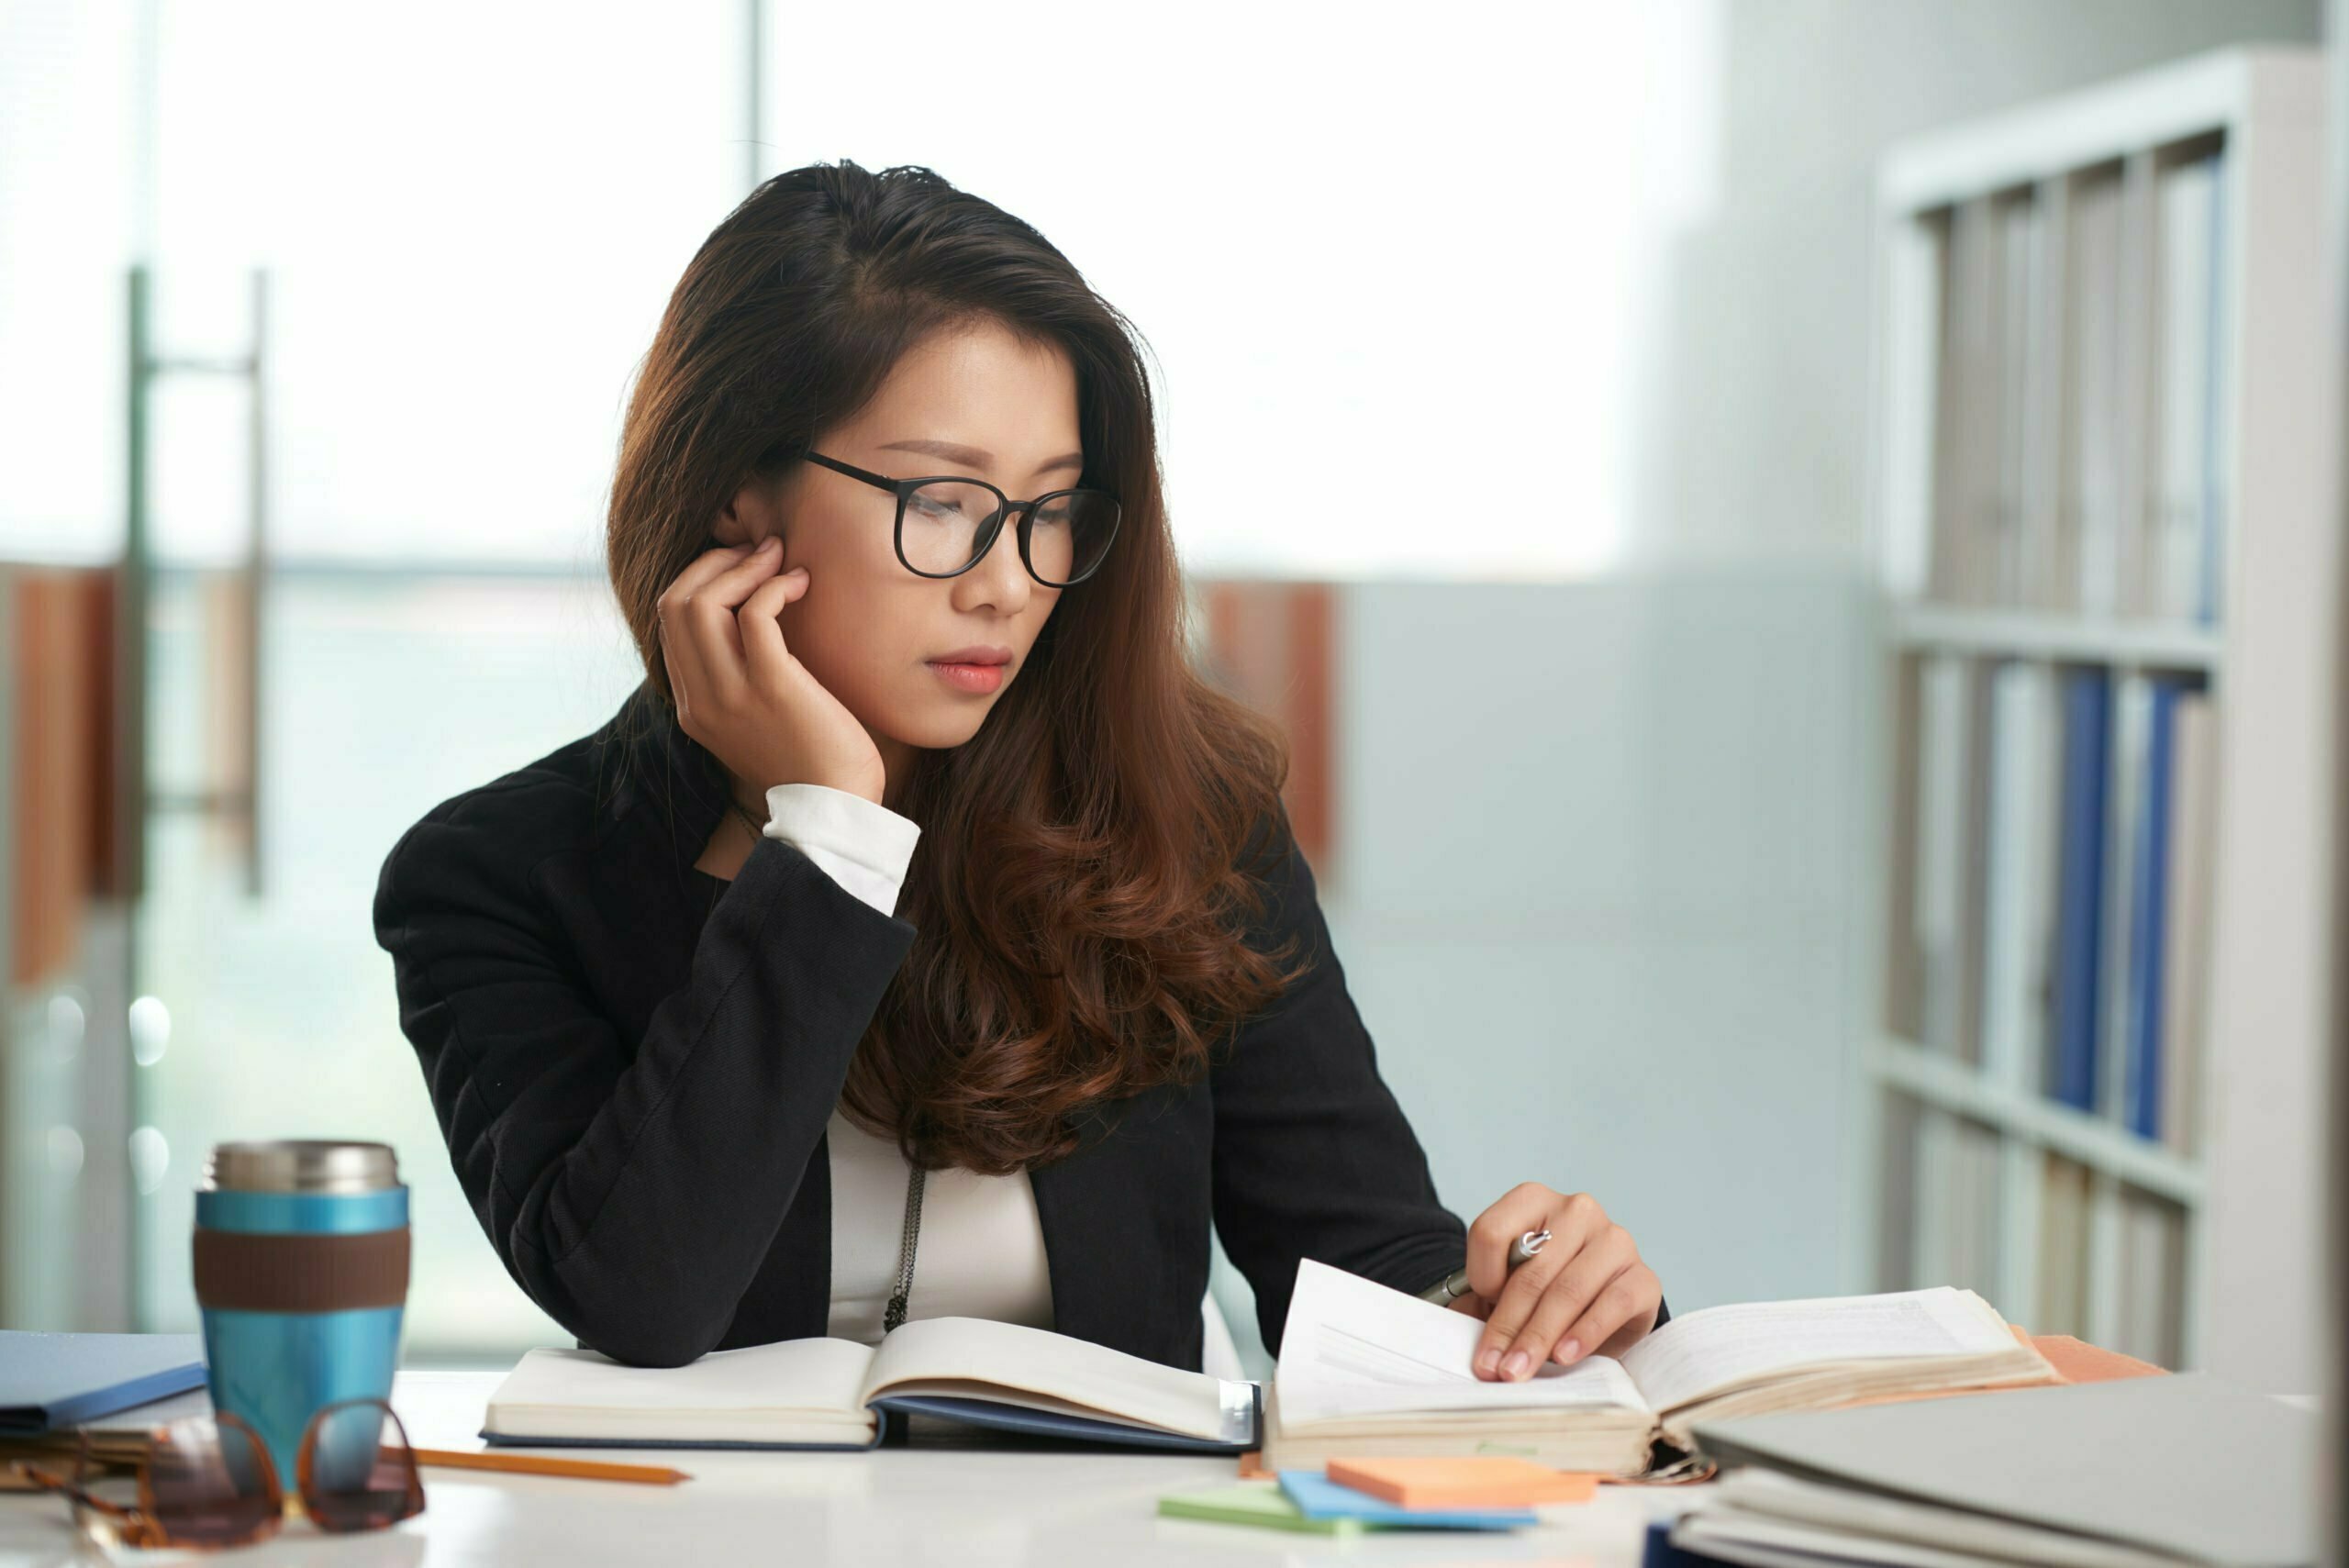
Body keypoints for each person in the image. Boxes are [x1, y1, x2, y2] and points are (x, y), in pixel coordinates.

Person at [371, 160, 1664, 1381]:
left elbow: (1358, 1252)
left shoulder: (1187, 815)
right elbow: (641, 1295)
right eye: (941, 502)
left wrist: (1531, 1298)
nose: (1008, 580)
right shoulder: (493, 879)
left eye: (1052, 511)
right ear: (737, 498)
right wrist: (825, 835)